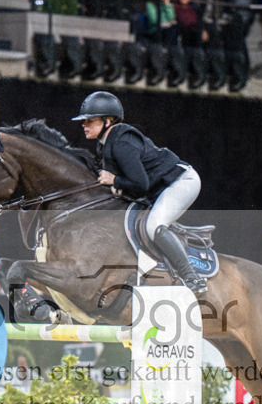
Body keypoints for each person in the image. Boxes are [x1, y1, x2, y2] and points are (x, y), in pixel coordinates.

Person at [73, 90, 207, 295]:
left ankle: (192, 278)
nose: (84, 125)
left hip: (181, 182)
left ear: (107, 121)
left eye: (90, 120)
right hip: (160, 188)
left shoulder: (121, 143)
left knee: (154, 225)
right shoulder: (106, 144)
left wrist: (114, 180)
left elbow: (140, 184)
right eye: (84, 121)